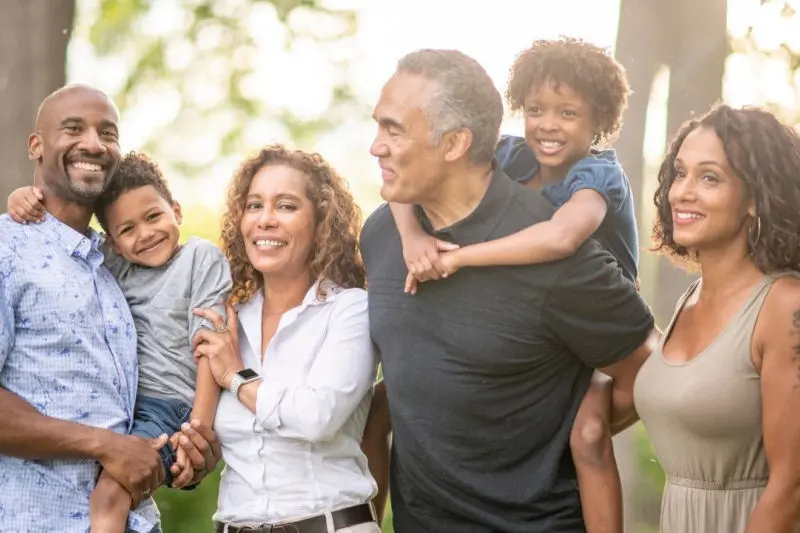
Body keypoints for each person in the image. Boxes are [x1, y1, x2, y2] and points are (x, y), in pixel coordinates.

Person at [361, 49, 658, 533]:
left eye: (394, 130)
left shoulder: (560, 255)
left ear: (457, 143)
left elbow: (651, 369)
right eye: (378, 127)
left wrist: (573, 430)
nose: (376, 147)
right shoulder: (382, 235)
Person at [0, 84, 220, 533]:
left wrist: (188, 453)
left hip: (136, 522)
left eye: (108, 133)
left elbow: (134, 407)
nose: (94, 144)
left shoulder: (116, 266)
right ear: (36, 146)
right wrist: (106, 446)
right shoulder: (7, 251)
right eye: (73, 129)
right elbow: (112, 441)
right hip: (34, 520)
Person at [188, 144, 381, 533]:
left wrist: (236, 377)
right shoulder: (229, 323)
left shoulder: (350, 311)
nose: (265, 220)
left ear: (322, 223)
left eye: (286, 206)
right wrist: (190, 456)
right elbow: (203, 436)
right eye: (254, 205)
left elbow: (318, 417)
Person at [634, 104, 800, 533]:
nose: (682, 192)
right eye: (679, 173)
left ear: (754, 199)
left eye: (709, 177)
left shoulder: (785, 304)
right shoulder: (689, 300)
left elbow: (791, 487)